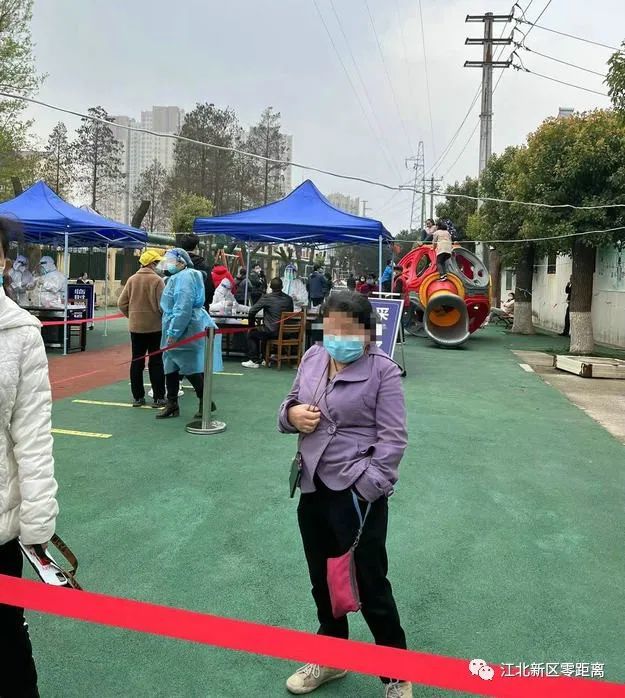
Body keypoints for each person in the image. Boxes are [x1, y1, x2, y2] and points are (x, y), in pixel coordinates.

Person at [278, 291, 411, 698]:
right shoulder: (314, 357)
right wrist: (291, 415)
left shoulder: (382, 371)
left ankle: (397, 676)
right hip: (312, 484)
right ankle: (332, 656)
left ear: (368, 332)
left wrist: (366, 489)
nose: (340, 337)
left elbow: (393, 440)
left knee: (370, 585)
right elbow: (289, 403)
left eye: (350, 329)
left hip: (357, 495)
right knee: (322, 580)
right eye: (333, 326)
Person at [0, 219, 59, 698]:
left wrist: (36, 520)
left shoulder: (20, 333)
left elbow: (33, 433)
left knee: (5, 636)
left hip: (0, 519)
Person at [156, 248, 223, 419]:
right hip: (175, 324)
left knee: (189, 366)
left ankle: (205, 400)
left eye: (171, 260)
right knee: (170, 365)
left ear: (181, 262)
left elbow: (183, 307)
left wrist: (173, 333)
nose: (168, 263)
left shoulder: (185, 277)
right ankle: (172, 403)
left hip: (184, 328)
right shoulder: (177, 277)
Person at [117, 249, 166, 408]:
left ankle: (138, 397)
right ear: (152, 264)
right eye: (157, 262)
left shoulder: (132, 279)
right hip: (155, 327)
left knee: (137, 360)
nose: (158, 265)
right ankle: (159, 397)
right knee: (156, 361)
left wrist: (132, 316)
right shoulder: (158, 281)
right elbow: (163, 306)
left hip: (136, 327)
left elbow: (121, 303)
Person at [242, 277, 294, 368]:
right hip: (286, 332)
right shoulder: (289, 299)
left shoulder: (267, 298)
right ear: (282, 286)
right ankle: (265, 358)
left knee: (252, 333)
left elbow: (252, 311)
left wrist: (251, 325)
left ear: (270, 287)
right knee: (263, 332)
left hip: (271, 331)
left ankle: (254, 360)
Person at [178, 233, 215, 309]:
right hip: (199, 310)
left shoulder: (175, 265)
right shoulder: (203, 265)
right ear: (197, 247)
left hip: (178, 307)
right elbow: (209, 289)